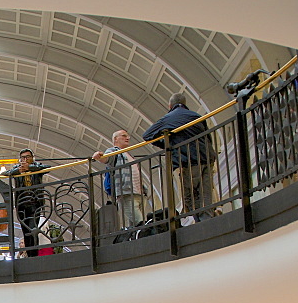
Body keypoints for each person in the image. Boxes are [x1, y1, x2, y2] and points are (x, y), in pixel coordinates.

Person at [142, 92, 217, 222]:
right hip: (206, 158)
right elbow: (207, 137)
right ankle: (207, 219)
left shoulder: (168, 118)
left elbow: (147, 135)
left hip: (186, 161)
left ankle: (199, 221)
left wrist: (168, 143)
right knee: (206, 192)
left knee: (189, 195)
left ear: (169, 105)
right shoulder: (196, 116)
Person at [92, 129, 147, 229]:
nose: (128, 138)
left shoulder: (129, 155)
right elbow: (106, 159)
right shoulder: (113, 151)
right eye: (124, 136)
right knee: (140, 222)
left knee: (135, 225)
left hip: (139, 193)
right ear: (116, 139)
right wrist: (99, 157)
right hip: (126, 193)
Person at [0, 149, 50, 256]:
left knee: (33, 229)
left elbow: (48, 168)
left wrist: (30, 168)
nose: (25, 159)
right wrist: (18, 171)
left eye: (27, 157)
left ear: (32, 158)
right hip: (21, 204)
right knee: (26, 231)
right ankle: (30, 254)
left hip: (34, 203)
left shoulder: (36, 166)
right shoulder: (17, 169)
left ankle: (33, 255)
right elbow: (5, 173)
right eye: (23, 158)